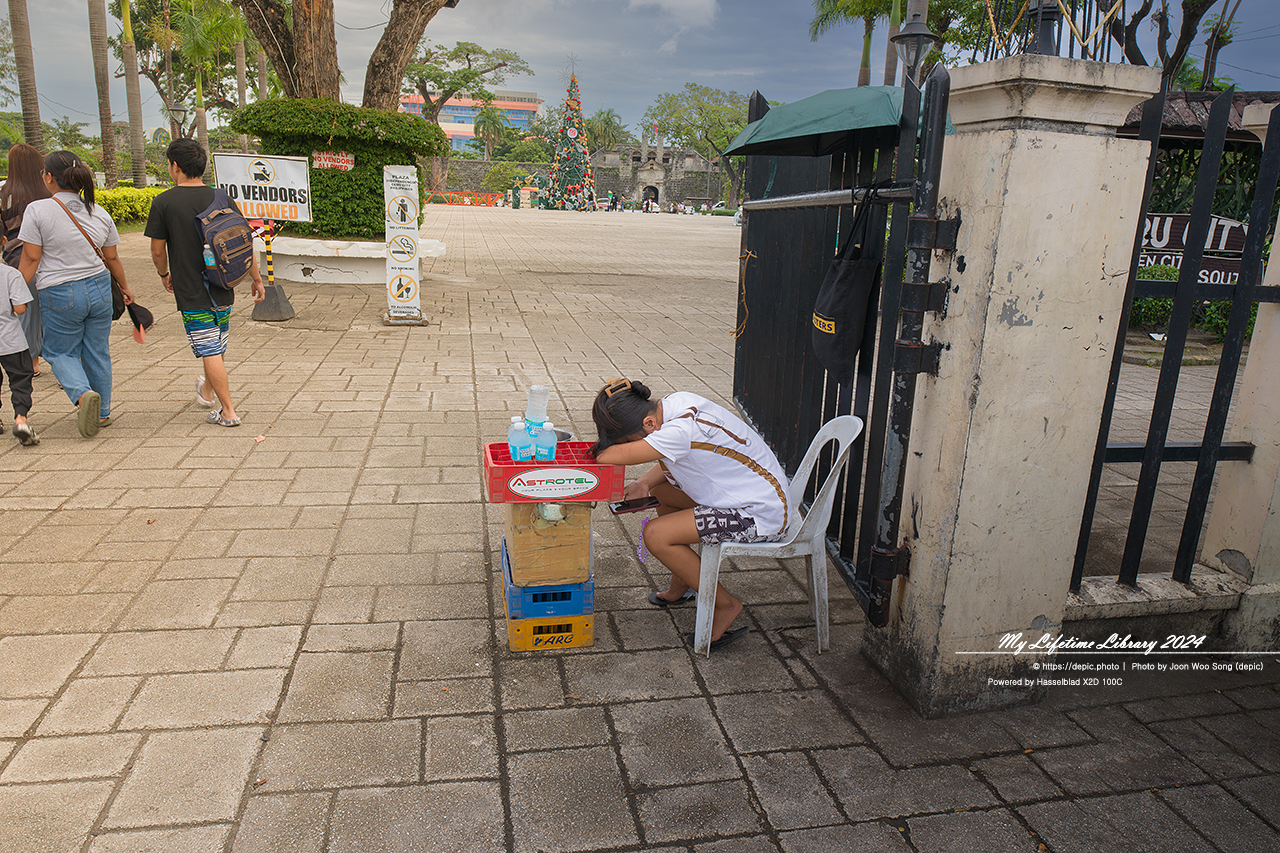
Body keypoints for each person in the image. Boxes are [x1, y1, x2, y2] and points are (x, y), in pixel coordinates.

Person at [591, 377, 789, 650]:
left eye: (629, 439)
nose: (630, 444)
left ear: (649, 424)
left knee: (656, 536)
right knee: (659, 494)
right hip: (754, 494)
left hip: (757, 515)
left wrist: (598, 453)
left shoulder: (676, 431)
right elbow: (678, 451)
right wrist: (645, 482)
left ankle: (725, 604)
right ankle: (683, 580)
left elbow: (613, 456)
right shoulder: (675, 405)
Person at [144, 138, 264, 427]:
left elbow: (158, 250)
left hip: (191, 288)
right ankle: (207, 389)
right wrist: (256, 279)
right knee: (216, 343)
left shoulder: (164, 202)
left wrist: (164, 275)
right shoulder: (221, 197)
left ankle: (228, 412)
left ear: (175, 166)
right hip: (224, 283)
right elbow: (244, 240)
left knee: (209, 348)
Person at [17, 150, 135, 438]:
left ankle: (83, 395)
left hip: (60, 293)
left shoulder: (38, 210)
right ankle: (103, 412)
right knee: (97, 351)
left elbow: (31, 259)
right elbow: (113, 259)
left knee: (58, 351)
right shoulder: (99, 211)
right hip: (100, 288)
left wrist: (15, 293)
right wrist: (125, 287)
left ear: (49, 177)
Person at [1, 143, 51, 375]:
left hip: (17, 260)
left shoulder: (3, 195)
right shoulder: (48, 192)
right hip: (49, 259)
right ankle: (63, 361)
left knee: (25, 312)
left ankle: (31, 362)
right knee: (53, 311)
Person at [0, 235, 37, 445]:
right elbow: (20, 309)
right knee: (20, 380)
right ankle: (21, 419)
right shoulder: (10, 274)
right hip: (10, 340)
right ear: (3, 240)